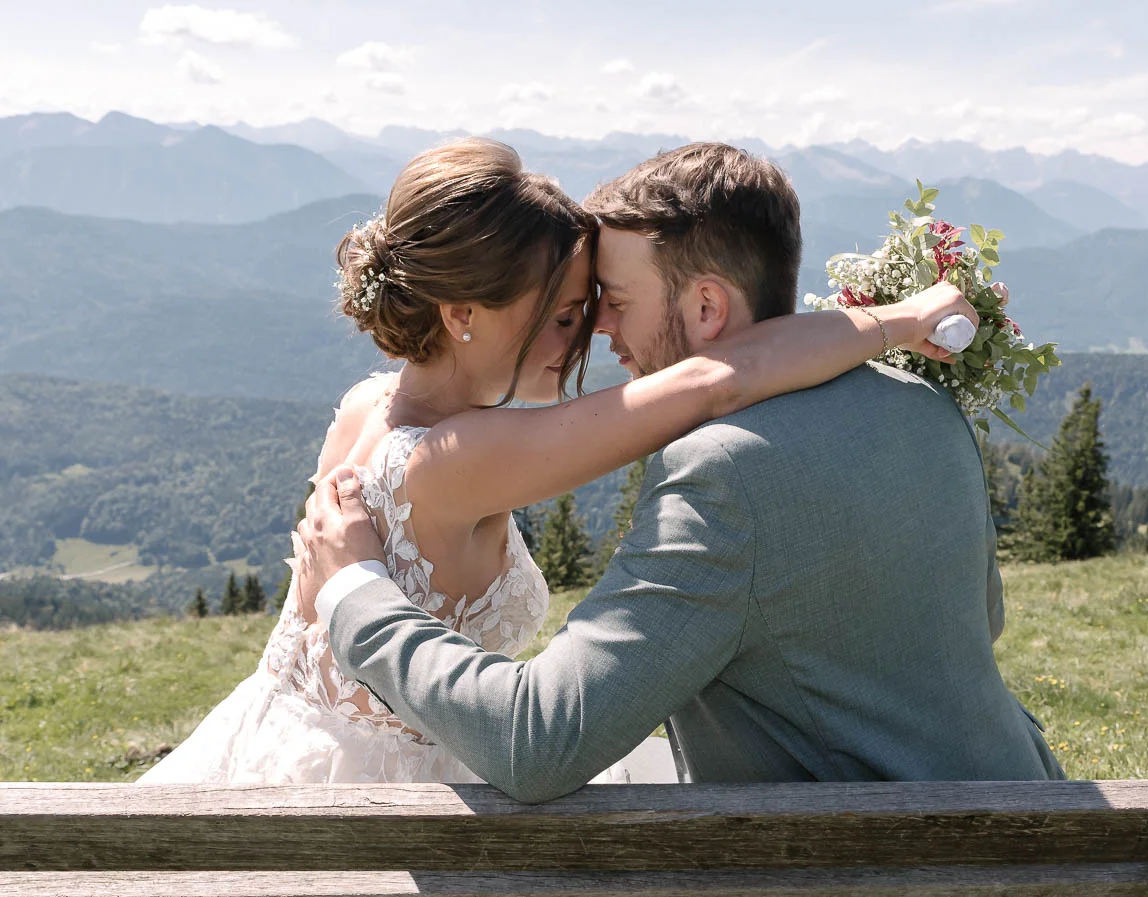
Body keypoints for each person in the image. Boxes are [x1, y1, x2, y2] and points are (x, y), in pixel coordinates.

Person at [139, 137, 977, 785]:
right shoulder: (466, 456)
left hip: (267, 748)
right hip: (378, 797)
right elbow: (716, 380)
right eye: (568, 311)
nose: (587, 336)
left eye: (596, 306)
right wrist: (894, 322)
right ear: (464, 312)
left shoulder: (364, 406)